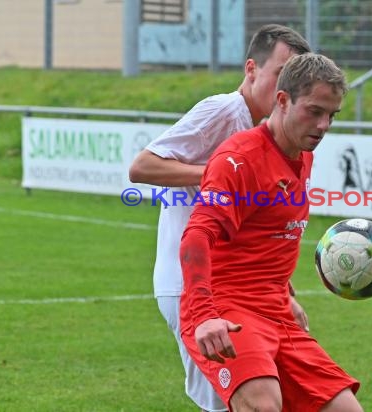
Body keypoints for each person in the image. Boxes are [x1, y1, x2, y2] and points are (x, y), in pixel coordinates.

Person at [129, 24, 311, 411]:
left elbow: (259, 229)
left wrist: (283, 290)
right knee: (236, 401)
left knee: (256, 399)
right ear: (251, 69)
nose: (287, 88)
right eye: (281, 74)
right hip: (190, 284)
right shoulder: (224, 111)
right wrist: (219, 174)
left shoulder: (270, 136)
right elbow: (142, 166)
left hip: (236, 287)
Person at [179, 53, 363, 411]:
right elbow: (195, 238)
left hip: (276, 310)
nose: (324, 124)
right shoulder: (237, 158)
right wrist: (204, 316)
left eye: (331, 115)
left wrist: (285, 291)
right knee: (264, 405)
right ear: (283, 100)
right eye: (314, 111)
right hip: (227, 307)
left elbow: (269, 235)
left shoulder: (302, 153)